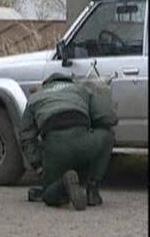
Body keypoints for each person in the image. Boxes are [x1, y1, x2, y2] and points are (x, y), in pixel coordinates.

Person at [20, 73, 117, 210]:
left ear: (46, 84)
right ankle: (92, 190)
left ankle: (62, 185)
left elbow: (26, 136)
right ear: (68, 81)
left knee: (49, 193)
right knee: (107, 135)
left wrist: (38, 165)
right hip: (83, 139)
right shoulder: (80, 89)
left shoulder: (35, 98)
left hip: (55, 148)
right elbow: (107, 118)